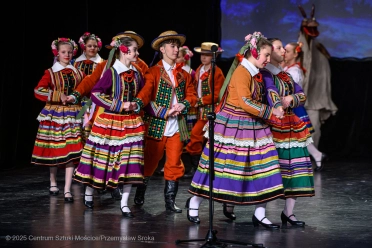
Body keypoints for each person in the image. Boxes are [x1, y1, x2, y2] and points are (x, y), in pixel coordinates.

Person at [186, 32, 285, 228]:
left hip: (254, 124)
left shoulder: (257, 72)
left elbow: (266, 91)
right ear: (254, 52)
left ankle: (260, 213)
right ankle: (195, 202)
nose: (268, 59)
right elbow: (245, 102)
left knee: (264, 166)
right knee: (219, 168)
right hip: (233, 125)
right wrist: (271, 112)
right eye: (266, 55)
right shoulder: (242, 72)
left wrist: (276, 106)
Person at [65, 31, 149, 199]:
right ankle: (95, 186)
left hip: (130, 119)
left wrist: (138, 103)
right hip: (105, 113)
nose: (137, 52)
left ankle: (121, 191)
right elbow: (90, 83)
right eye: (134, 49)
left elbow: (147, 88)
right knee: (102, 154)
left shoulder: (140, 68)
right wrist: (75, 95)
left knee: (127, 157)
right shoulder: (106, 67)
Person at [132, 30, 198, 213]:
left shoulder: (183, 74)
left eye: (177, 46)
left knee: (174, 163)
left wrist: (184, 104)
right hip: (157, 125)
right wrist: (162, 111)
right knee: (150, 162)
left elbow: (192, 95)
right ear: (162, 49)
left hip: (177, 126)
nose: (176, 49)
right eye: (172, 46)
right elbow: (146, 96)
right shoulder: (153, 72)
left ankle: (170, 202)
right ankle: (140, 192)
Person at [261, 37, 315, 227]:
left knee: (295, 167)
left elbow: (301, 95)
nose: (283, 50)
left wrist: (291, 98)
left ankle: (288, 212)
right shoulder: (266, 74)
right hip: (275, 126)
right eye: (278, 48)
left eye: (283, 48)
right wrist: (279, 104)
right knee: (273, 169)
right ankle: (260, 213)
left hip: (292, 125)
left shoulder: (286, 75)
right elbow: (271, 93)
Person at [31, 37, 84, 203]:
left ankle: (67, 189)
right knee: (55, 148)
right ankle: (53, 181)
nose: (67, 55)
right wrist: (56, 95)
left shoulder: (78, 72)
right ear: (57, 53)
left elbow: (85, 92)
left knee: (72, 149)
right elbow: (38, 91)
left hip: (73, 115)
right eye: (63, 52)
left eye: (69, 52)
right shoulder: (51, 72)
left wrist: (82, 109)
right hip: (54, 115)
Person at [183, 42, 225, 179]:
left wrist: (201, 100)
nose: (204, 58)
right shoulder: (200, 69)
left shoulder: (216, 71)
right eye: (202, 54)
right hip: (199, 109)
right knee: (196, 136)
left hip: (211, 110)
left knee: (198, 135)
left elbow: (218, 93)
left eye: (207, 55)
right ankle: (197, 167)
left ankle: (202, 168)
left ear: (214, 56)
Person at [298, 4, 338, 148]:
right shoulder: (297, 50)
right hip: (298, 100)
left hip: (315, 98)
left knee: (314, 128)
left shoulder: (319, 49)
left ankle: (313, 157)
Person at [283, 41, 327, 171]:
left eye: (287, 51)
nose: (284, 53)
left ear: (295, 54)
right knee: (299, 137)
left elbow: (290, 91)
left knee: (298, 136)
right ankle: (317, 155)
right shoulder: (288, 69)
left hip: (293, 107)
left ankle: (314, 156)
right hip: (289, 106)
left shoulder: (294, 72)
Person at [72, 32, 104, 143]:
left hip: (95, 102)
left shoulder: (103, 63)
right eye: (89, 46)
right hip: (78, 101)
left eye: (95, 46)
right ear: (84, 46)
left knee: (92, 130)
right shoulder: (75, 63)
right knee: (77, 132)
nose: (92, 48)